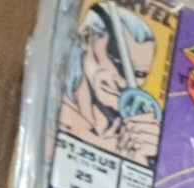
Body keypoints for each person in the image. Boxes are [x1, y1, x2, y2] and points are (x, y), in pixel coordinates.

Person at [59, 2, 160, 164]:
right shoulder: (56, 110)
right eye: (117, 61)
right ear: (87, 37)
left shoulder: (139, 130)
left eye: (140, 74)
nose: (124, 82)